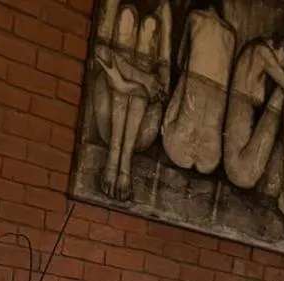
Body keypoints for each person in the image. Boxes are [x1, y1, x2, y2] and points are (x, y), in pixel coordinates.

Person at [90, 0, 174, 202]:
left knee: (149, 27)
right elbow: (100, 53)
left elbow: (163, 82)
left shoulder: (164, 9)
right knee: (126, 17)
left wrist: (130, 84)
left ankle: (123, 161)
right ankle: (114, 158)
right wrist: (140, 80)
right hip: (109, 107)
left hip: (139, 127)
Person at [223, 34, 284, 239]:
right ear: (282, 49)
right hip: (240, 168)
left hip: (240, 161)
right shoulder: (261, 51)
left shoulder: (252, 52)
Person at [160, 2, 235, 178]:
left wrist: (168, 116)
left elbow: (180, 60)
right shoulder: (231, 35)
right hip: (211, 159)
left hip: (178, 148)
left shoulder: (195, 16)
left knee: (187, 76)